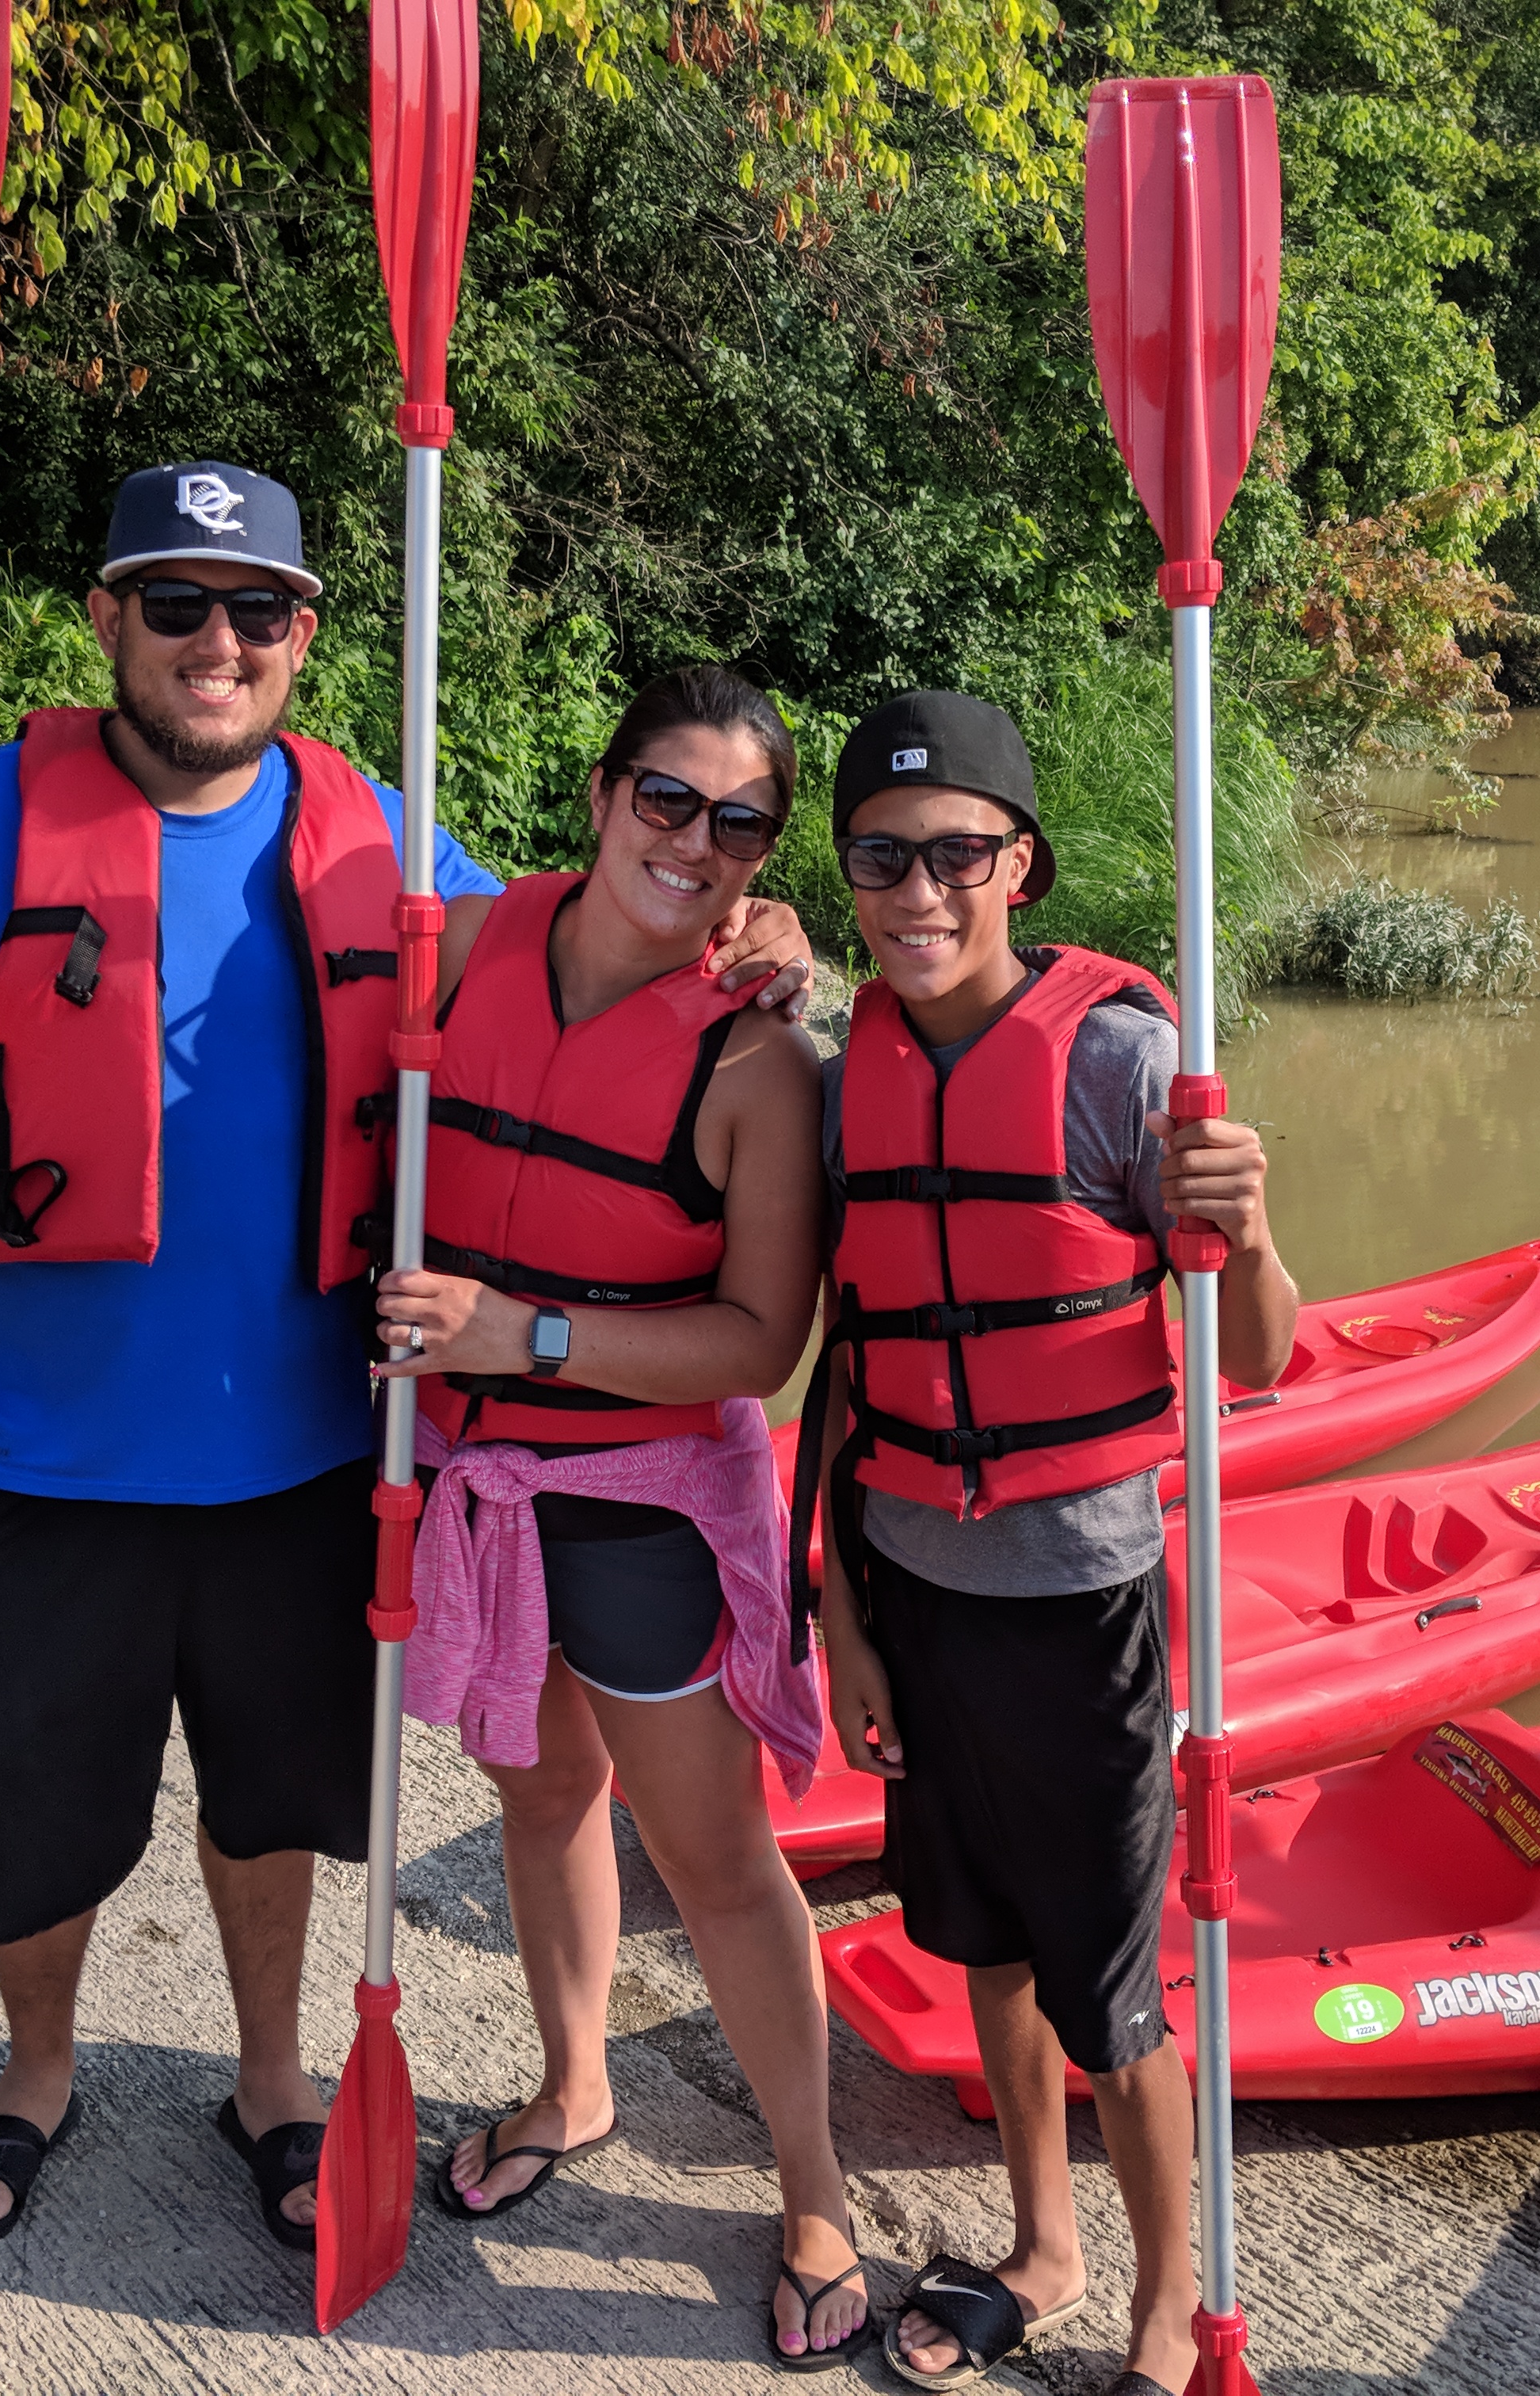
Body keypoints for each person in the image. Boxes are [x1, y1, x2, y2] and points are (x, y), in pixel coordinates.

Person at [0, 464, 814, 2253]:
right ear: (108, 619)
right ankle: (37, 2067)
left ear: (304, 636)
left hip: (312, 1458)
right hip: (41, 1449)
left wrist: (758, 924)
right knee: (35, 1812)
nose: (219, 642)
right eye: (177, 603)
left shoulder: (380, 845)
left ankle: (272, 2078)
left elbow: (605, 931)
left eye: (256, 609)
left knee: (273, 1807)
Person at [372, 666, 872, 2371]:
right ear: (600, 795)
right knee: (542, 1795)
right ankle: (576, 2085)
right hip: (475, 1490)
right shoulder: (467, 942)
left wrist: (525, 1336)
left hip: (644, 1508)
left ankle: (815, 2191)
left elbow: (762, 1342)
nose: (696, 843)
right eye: (668, 798)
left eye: (742, 825)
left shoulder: (760, 1058)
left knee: (715, 1859)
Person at [797, 692, 1298, 2396]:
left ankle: (1167, 2298)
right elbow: (848, 1366)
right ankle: (1044, 2245)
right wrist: (844, 1622)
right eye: (881, 858)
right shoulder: (842, 1081)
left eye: (957, 855)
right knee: (986, 1953)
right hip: (914, 1596)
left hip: (1081, 1609)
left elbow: (1261, 1359)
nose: (918, 893)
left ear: (1021, 864)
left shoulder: (1121, 1069)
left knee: (1111, 1994)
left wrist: (1248, 1230)